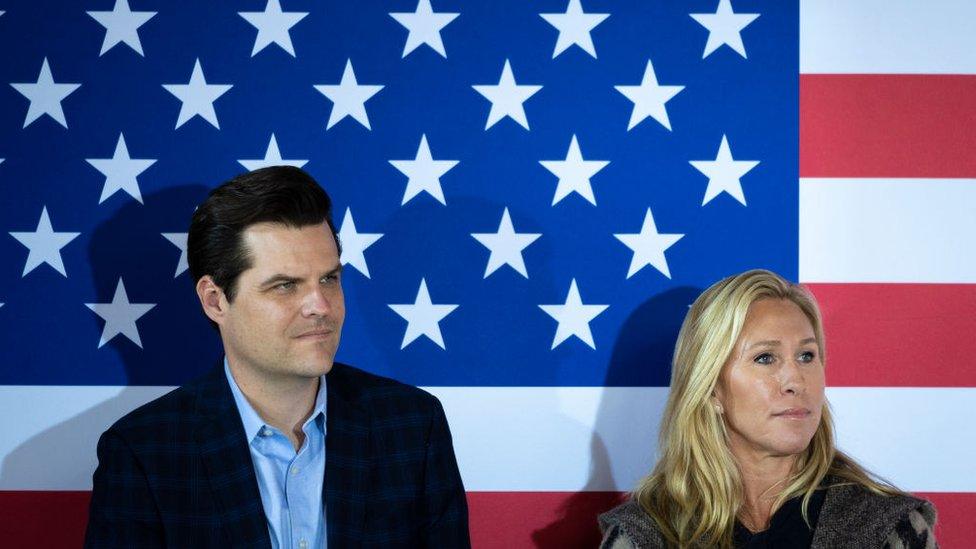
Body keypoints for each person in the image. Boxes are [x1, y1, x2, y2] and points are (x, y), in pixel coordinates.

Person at [84, 166, 470, 548]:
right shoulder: (143, 453)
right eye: (285, 285)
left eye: (329, 279)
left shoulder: (413, 427)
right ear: (215, 300)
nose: (320, 306)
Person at [599, 270, 936, 548]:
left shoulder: (888, 527)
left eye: (807, 355)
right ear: (710, 388)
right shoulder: (646, 535)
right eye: (765, 358)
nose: (794, 380)